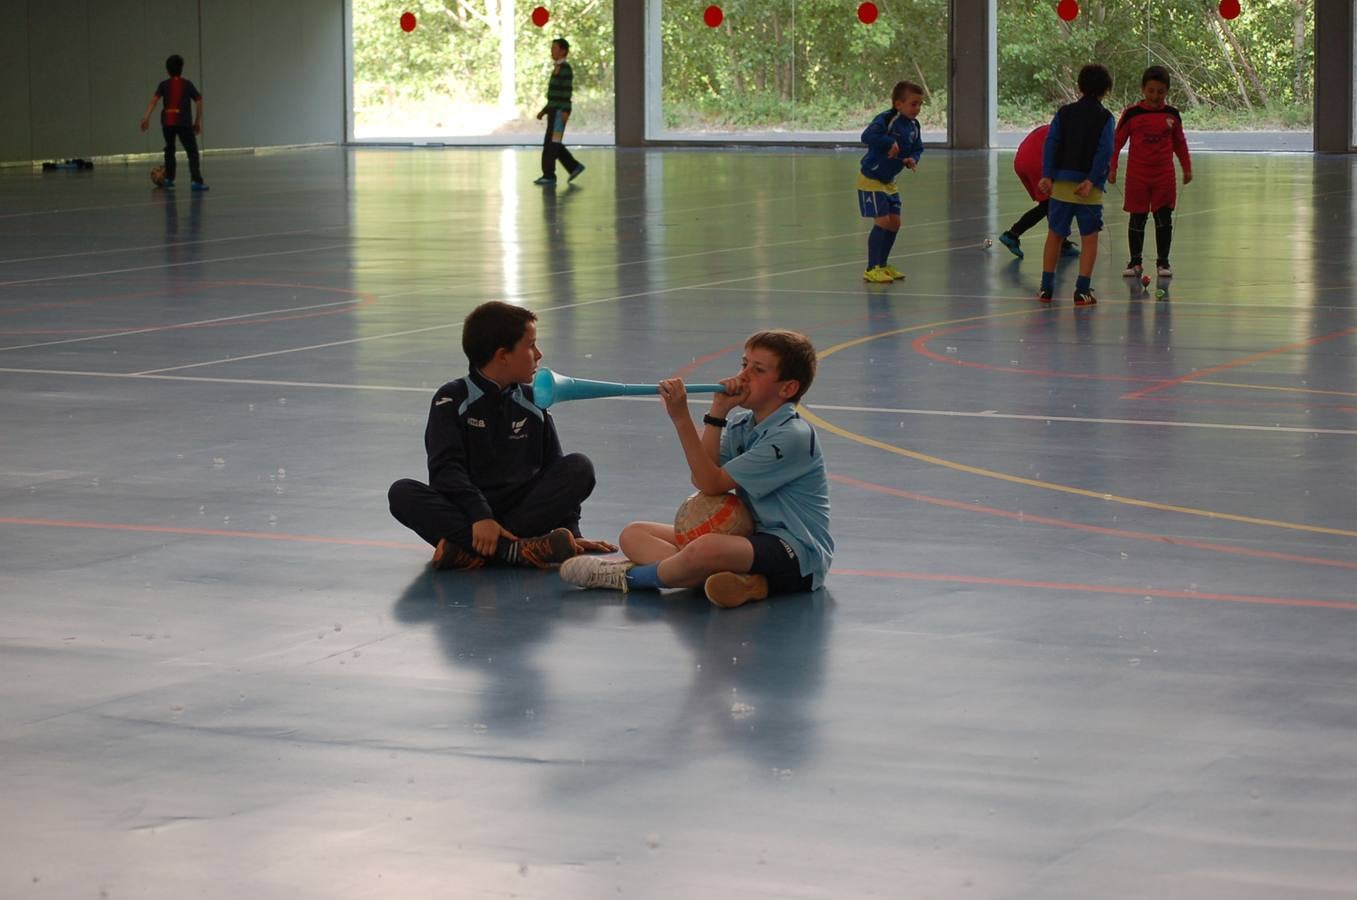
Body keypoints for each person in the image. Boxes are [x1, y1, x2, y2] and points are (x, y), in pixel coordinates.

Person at [559, 330, 833, 609]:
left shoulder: (791, 435)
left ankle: (625, 576)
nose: (744, 375)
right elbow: (703, 471)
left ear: (787, 388)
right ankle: (745, 582)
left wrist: (681, 417)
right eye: (744, 364)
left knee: (705, 548)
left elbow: (710, 483)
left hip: (797, 552)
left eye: (758, 369)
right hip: (748, 537)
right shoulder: (743, 426)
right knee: (635, 534)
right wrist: (718, 414)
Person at [388, 301, 616, 571]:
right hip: (468, 514)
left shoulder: (533, 400)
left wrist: (571, 534)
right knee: (402, 493)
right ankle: (515, 551)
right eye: (531, 345)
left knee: (579, 467)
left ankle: (473, 551)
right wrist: (481, 516)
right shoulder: (451, 399)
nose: (539, 353)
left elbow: (554, 466)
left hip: (522, 511)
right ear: (503, 355)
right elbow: (445, 471)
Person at [1037, 63, 1115, 305]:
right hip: (1088, 190)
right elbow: (1105, 152)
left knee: (1055, 235)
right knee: (1089, 238)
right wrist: (1091, 179)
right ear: (1106, 91)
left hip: (1060, 184)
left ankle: (1046, 288)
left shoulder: (1064, 113)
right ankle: (1082, 290)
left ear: (1080, 87)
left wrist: (1047, 175)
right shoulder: (1106, 118)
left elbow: (1052, 143)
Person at [1108, 65, 1192, 280]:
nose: (1155, 96)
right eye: (1151, 90)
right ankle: (1135, 262)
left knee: (1163, 219)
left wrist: (1186, 167)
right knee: (1137, 218)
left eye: (1160, 92)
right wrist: (1112, 166)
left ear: (1167, 92)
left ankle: (1163, 262)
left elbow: (1180, 144)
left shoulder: (1172, 115)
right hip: (1137, 176)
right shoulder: (1132, 114)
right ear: (1143, 89)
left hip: (1164, 176)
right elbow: (1116, 143)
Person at [857, 81, 925, 284]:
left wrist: (912, 159)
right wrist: (889, 142)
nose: (918, 109)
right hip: (872, 177)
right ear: (898, 104)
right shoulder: (886, 120)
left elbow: (918, 148)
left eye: (920, 104)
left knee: (895, 222)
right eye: (913, 104)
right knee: (883, 221)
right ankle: (872, 268)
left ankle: (884, 265)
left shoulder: (914, 126)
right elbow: (867, 136)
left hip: (889, 181)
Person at [997, 124, 1079, 261]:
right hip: (1036, 163)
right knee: (1050, 204)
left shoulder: (1056, 125)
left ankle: (1062, 243)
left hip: (1021, 160)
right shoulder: (1072, 132)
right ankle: (1012, 234)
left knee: (1049, 202)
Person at [139, 54, 208, 191]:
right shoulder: (187, 84)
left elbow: (154, 101)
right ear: (181, 68)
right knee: (192, 151)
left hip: (167, 122)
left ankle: (169, 179)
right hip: (183, 122)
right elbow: (199, 101)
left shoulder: (163, 85)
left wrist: (146, 117)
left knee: (169, 149)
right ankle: (196, 181)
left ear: (167, 70)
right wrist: (197, 121)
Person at [533, 38, 584, 187]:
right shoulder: (557, 67)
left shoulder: (565, 68)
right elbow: (554, 94)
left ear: (563, 51)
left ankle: (549, 175)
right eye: (552, 48)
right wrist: (544, 111)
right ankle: (574, 166)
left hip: (560, 113)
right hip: (554, 111)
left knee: (551, 144)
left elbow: (566, 93)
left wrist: (565, 111)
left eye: (554, 48)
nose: (552, 50)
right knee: (553, 143)